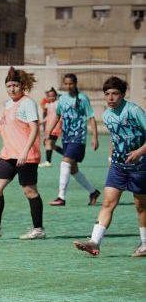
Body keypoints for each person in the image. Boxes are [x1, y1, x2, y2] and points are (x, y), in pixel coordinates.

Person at [74, 76, 146, 257]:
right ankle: (94, 242)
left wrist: (139, 152)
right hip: (118, 167)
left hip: (140, 167)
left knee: (141, 206)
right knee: (108, 203)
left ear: (123, 94)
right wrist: (110, 159)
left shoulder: (134, 111)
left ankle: (145, 244)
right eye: (107, 94)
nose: (111, 97)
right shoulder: (107, 115)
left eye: (115, 93)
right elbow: (115, 138)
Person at [0, 67, 46, 240]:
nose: (12, 89)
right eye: (9, 86)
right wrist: (3, 151)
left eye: (15, 85)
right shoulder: (8, 104)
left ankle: (38, 229)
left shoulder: (27, 103)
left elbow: (34, 129)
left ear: (22, 86)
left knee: (29, 191)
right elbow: (10, 131)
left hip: (25, 156)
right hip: (8, 155)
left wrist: (25, 152)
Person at [47, 73, 101, 206]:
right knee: (73, 169)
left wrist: (95, 137)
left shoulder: (83, 98)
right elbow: (57, 116)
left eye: (71, 83)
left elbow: (91, 118)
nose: (68, 86)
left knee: (65, 163)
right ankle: (93, 192)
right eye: (66, 83)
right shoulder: (62, 99)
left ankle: (61, 197)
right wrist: (49, 132)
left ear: (75, 84)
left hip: (78, 137)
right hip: (66, 137)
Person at [39, 87, 63, 167]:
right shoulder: (49, 105)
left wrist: (60, 124)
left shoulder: (57, 104)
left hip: (55, 128)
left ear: (56, 96)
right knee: (51, 145)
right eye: (49, 96)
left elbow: (60, 116)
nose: (51, 97)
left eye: (53, 96)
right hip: (49, 128)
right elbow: (48, 116)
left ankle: (48, 161)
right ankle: (67, 155)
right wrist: (41, 122)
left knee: (48, 143)